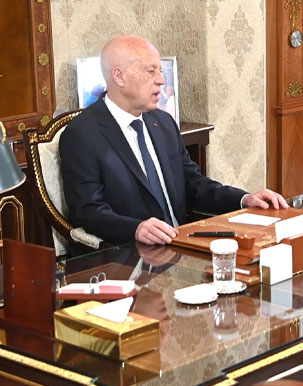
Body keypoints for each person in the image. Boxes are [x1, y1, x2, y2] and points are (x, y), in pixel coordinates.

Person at [60, 36, 287, 247]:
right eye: (151, 71)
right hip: (132, 253)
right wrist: (136, 229)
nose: (161, 80)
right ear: (119, 76)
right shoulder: (82, 134)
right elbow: (88, 211)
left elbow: (193, 184)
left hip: (183, 242)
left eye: (160, 71)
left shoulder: (163, 122)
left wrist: (244, 199)